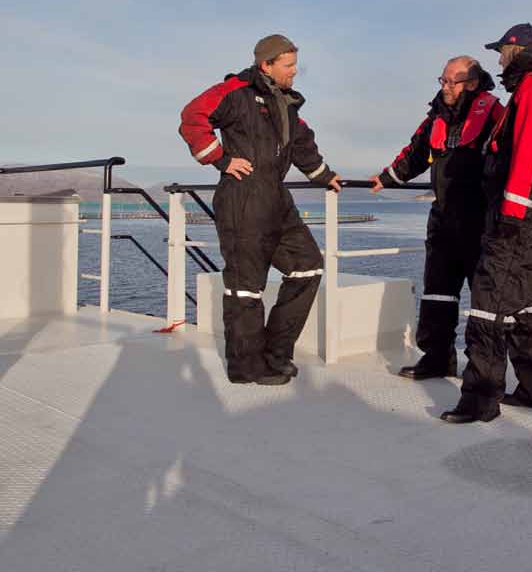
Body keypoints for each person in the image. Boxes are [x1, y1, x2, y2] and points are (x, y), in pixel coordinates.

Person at [179, 34, 342, 385]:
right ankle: (246, 367)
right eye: (289, 65)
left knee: (307, 267)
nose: (295, 72)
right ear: (266, 64)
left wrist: (325, 176)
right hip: (243, 197)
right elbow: (193, 116)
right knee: (245, 287)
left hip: (277, 199)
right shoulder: (235, 91)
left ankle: (274, 353)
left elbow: (302, 144)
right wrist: (220, 159)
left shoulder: (286, 104)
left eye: (295, 64)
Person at [441, 23, 532, 423]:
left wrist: (511, 212)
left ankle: (480, 400)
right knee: (530, 299)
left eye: (501, 51)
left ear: (515, 50)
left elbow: (529, 151)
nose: (498, 59)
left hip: (522, 214)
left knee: (489, 302)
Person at [368, 57, 503, 379]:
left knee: (486, 302)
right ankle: (437, 358)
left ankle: (482, 371)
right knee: (437, 292)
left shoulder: (496, 114)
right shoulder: (436, 118)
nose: (443, 87)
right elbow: (414, 154)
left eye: (450, 81)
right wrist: (386, 178)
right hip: (443, 219)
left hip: (482, 222)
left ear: (471, 83)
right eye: (441, 80)